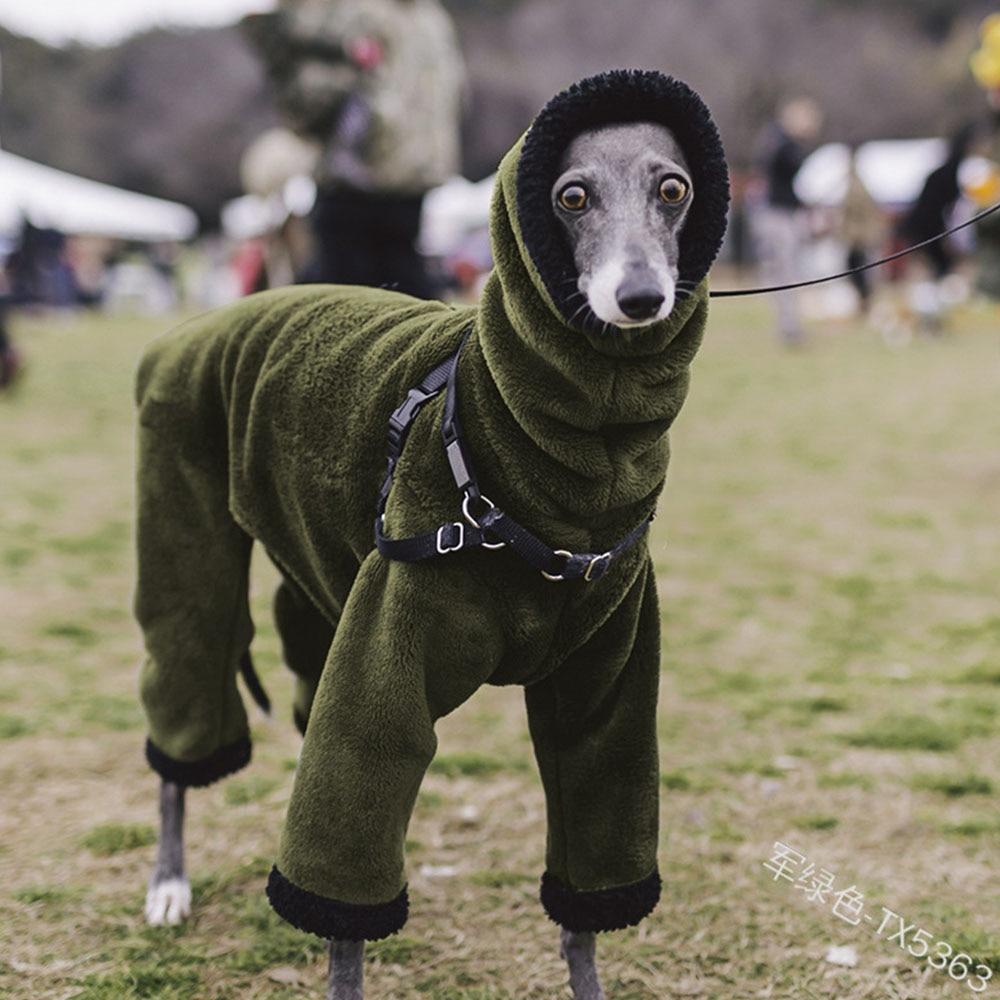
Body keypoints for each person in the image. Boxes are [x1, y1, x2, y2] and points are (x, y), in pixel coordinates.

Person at [245, 0, 465, 298]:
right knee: (392, 288)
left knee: (343, 293)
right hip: (395, 172)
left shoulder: (377, 13)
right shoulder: (431, 19)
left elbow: (296, 44)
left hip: (363, 173)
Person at [753, 98, 823, 346]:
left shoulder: (778, 142)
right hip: (779, 216)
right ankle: (789, 328)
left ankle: (791, 326)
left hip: (781, 214)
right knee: (785, 273)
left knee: (787, 273)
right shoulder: (782, 145)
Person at [839, 147, 883, 315]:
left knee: (859, 273)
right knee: (859, 273)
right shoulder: (857, 184)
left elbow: (856, 214)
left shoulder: (855, 186)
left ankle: (865, 305)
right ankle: (863, 304)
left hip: (858, 238)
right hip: (859, 237)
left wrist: (853, 234)